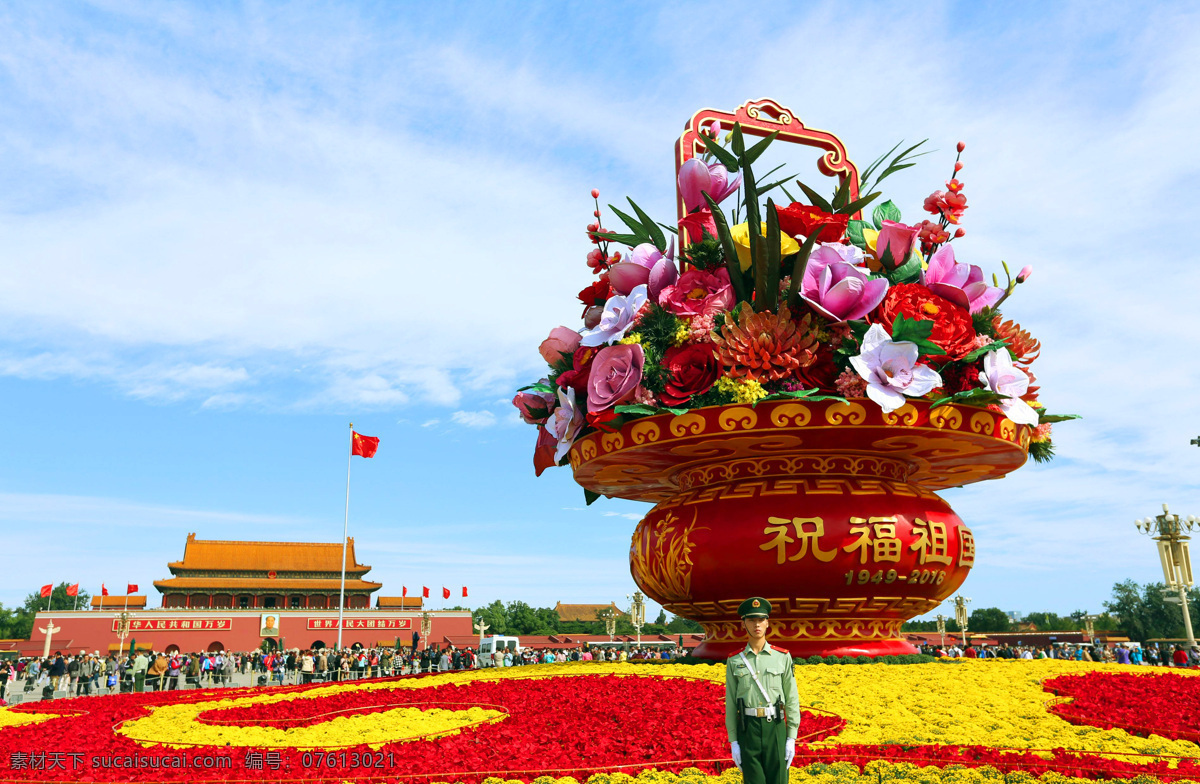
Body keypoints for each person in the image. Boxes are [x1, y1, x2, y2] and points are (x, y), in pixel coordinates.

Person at [725, 597, 800, 784]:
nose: (756, 625)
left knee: (779, 780)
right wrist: (733, 741)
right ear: (744, 624)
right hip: (748, 727)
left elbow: (791, 698)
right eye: (751, 620)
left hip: (775, 726)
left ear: (767, 623)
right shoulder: (735, 660)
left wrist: (791, 737)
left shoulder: (782, 657)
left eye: (760, 620)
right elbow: (731, 703)